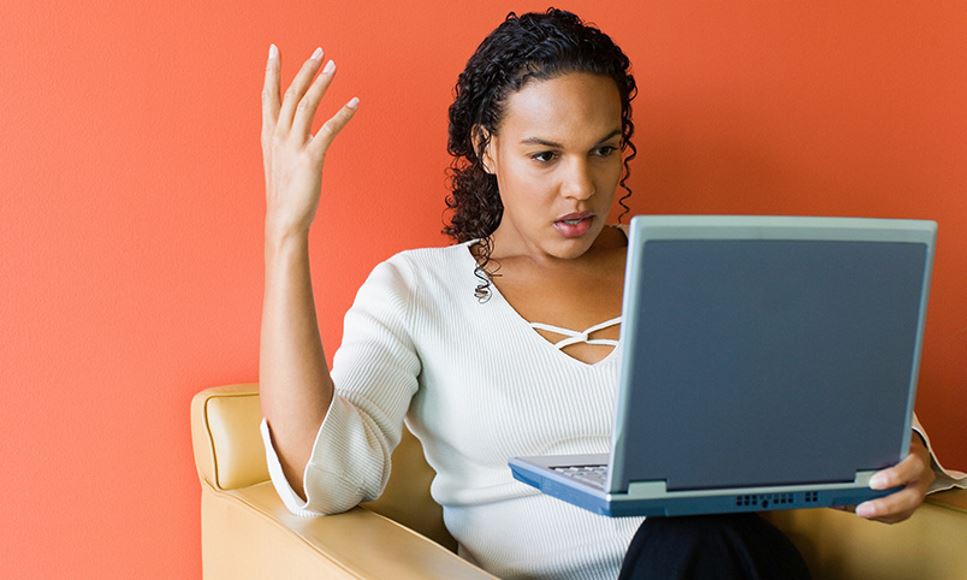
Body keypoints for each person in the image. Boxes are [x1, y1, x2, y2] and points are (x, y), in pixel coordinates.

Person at [257, 8, 966, 580]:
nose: (581, 187)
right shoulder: (416, 290)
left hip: (725, 561)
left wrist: (905, 462)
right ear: (485, 147)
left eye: (603, 149)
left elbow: (842, 413)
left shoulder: (690, 275)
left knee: (696, 535)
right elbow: (329, 482)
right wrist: (287, 237)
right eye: (545, 155)